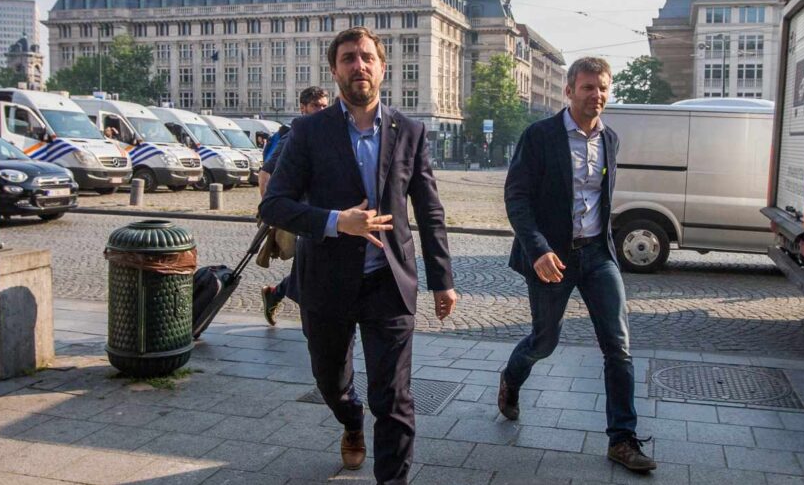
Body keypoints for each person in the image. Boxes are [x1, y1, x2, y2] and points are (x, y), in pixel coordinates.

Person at [259, 27, 457, 485]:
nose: (359, 66)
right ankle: (350, 419)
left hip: (388, 281)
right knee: (331, 382)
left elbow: (429, 210)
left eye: (367, 57)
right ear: (334, 71)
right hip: (327, 282)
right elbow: (273, 205)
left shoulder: (410, 131)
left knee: (394, 397)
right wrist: (335, 221)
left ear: (382, 67)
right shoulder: (308, 131)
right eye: (348, 58)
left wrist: (442, 279)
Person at [498, 57, 657, 473]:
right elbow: (517, 197)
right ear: (568, 91)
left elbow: (599, 199)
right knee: (544, 341)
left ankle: (622, 439)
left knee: (618, 345)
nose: (596, 95)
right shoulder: (539, 136)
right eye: (588, 87)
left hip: (599, 255)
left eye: (603, 87)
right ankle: (511, 379)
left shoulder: (610, 140)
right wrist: (538, 249)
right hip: (553, 257)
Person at [258, 86, 329, 326]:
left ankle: (275, 294)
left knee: (312, 269)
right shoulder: (294, 135)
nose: (321, 110)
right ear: (303, 108)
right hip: (300, 216)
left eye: (323, 105)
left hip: (320, 213)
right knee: (312, 269)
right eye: (316, 106)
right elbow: (265, 173)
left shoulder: (322, 133)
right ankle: (311, 319)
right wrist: (272, 211)